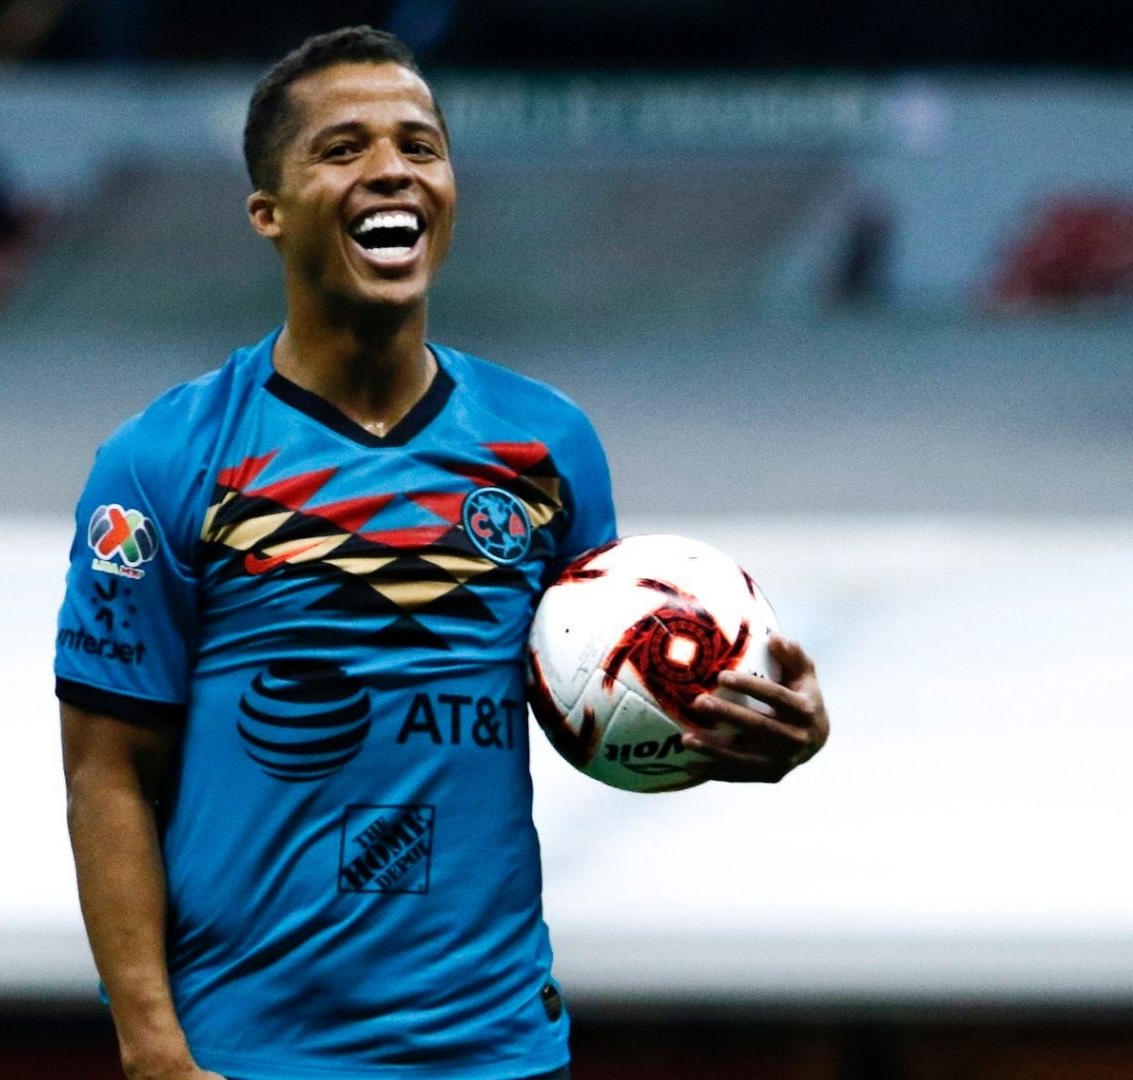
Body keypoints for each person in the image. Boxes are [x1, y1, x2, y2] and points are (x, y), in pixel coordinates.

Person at [55, 27, 831, 1080]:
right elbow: (107, 776)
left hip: (495, 1046)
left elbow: (592, 699)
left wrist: (743, 727)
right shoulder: (162, 461)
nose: (392, 169)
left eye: (419, 146)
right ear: (268, 211)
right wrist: (151, 1047)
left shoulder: (548, 445)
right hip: (251, 1052)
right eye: (344, 148)